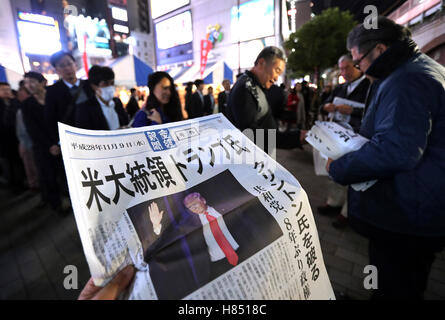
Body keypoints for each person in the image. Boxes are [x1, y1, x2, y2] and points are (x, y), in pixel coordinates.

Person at [327, 16, 445, 300]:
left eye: (359, 62)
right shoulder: (416, 69)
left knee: (397, 283)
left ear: (379, 50)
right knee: (393, 280)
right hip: (415, 202)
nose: (359, 69)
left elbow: (396, 151)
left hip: (408, 211)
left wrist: (340, 167)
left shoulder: (407, 80)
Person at [317, 54, 371, 229]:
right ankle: (334, 202)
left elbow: (373, 112)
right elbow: (322, 104)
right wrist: (326, 107)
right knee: (333, 171)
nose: (344, 72)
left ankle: (348, 213)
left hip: (357, 137)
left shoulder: (369, 86)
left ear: (357, 66)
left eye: (347, 67)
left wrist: (353, 111)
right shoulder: (340, 88)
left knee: (353, 175)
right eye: (341, 68)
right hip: (336, 134)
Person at [227, 46, 306, 153]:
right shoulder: (245, 88)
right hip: (252, 157)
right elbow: (250, 133)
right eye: (277, 70)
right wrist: (294, 138)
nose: (277, 78)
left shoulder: (256, 85)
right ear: (261, 63)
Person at [22, 72, 69, 214]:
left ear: (43, 82)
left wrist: (60, 143)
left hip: (62, 144)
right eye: (26, 82)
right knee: (49, 177)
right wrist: (50, 146)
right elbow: (32, 129)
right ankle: (57, 206)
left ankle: (73, 202)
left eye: (32, 81)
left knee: (66, 176)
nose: (28, 85)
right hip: (43, 149)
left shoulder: (54, 97)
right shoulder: (27, 104)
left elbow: (64, 119)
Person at [45, 51, 94, 157]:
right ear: (56, 70)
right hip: (71, 141)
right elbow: (50, 119)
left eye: (69, 63)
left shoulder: (89, 85)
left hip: (93, 136)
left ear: (75, 64)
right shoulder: (52, 91)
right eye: (62, 66)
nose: (67, 68)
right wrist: (55, 142)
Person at [75, 66, 129, 130]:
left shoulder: (117, 102)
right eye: (105, 84)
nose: (110, 87)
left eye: (112, 83)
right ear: (94, 86)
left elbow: (126, 122)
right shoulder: (85, 108)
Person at [0, 82, 25, 193]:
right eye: (3, 89)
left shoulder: (15, 102)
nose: (6, 91)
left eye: (8, 89)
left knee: (19, 162)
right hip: (3, 141)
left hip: (16, 138)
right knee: (8, 164)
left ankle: (21, 183)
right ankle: (13, 185)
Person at [15, 81, 39, 192]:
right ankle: (34, 185)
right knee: (30, 167)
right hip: (26, 143)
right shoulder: (20, 110)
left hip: (32, 143)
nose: (20, 96)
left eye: (22, 93)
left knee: (34, 167)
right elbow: (21, 131)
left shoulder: (26, 108)